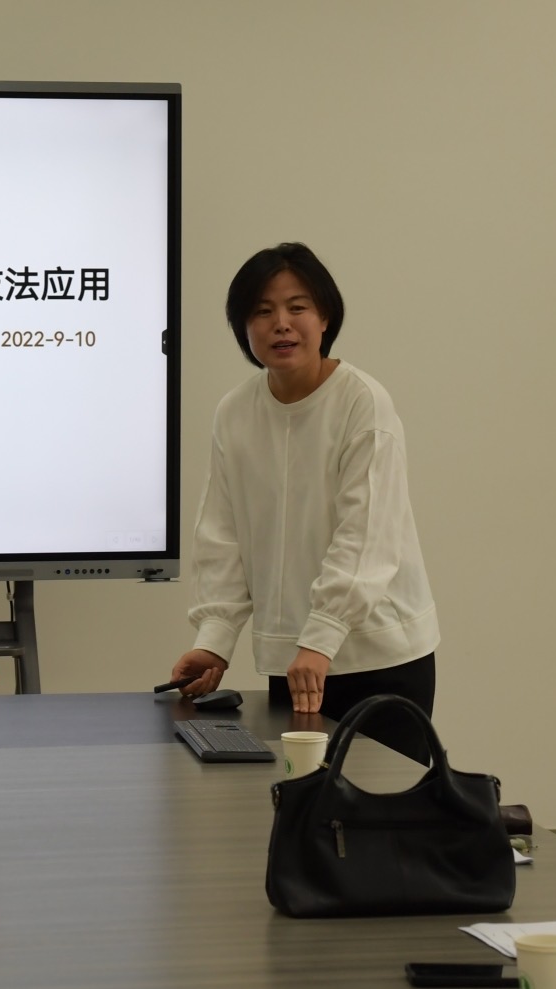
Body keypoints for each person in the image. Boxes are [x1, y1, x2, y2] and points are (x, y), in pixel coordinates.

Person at [168, 242, 440, 761]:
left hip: (378, 656)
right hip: (295, 658)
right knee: (301, 798)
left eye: (297, 308)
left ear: (325, 317)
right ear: (243, 327)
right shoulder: (235, 411)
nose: (281, 324)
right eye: (262, 312)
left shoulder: (363, 402)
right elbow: (222, 534)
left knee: (383, 803)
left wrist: (323, 636)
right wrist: (215, 639)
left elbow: (366, 535)